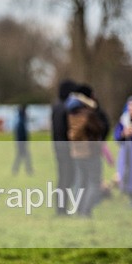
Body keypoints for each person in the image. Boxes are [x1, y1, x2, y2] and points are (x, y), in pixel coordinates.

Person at [66, 86, 106, 217]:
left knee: (80, 181)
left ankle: (78, 208)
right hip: (90, 152)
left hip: (76, 153)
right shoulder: (88, 116)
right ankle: (86, 210)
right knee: (94, 182)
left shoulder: (71, 116)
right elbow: (100, 128)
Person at [51, 79, 78, 215]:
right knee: (67, 178)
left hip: (57, 146)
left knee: (63, 177)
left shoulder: (56, 107)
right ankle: (61, 209)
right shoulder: (65, 108)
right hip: (65, 148)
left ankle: (61, 207)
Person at [11, 104, 33, 175]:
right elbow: (21, 134)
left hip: (20, 142)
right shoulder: (21, 121)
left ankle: (16, 170)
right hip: (22, 143)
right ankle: (28, 170)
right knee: (25, 156)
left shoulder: (20, 120)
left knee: (21, 156)